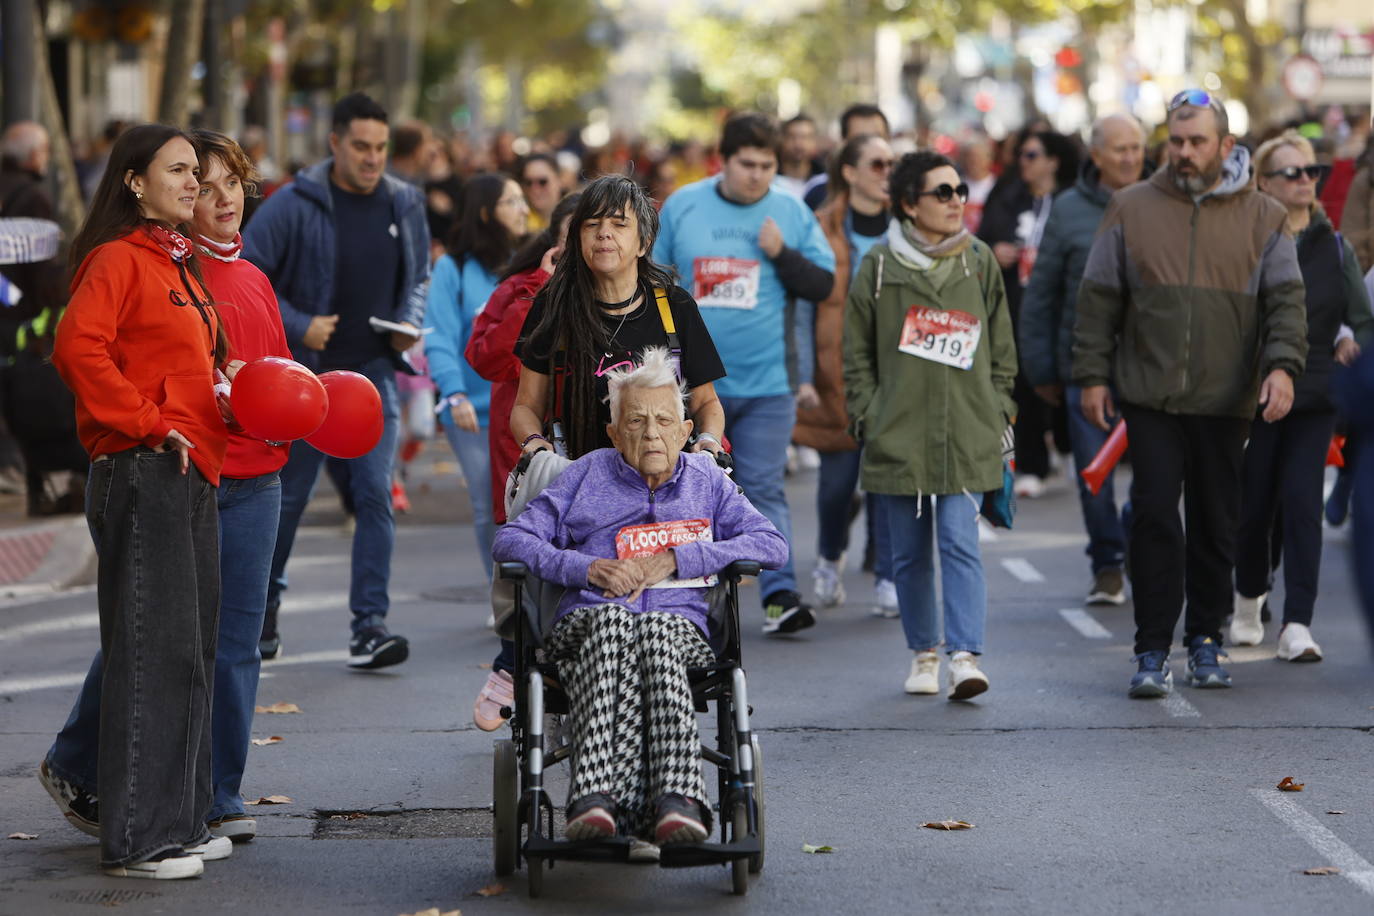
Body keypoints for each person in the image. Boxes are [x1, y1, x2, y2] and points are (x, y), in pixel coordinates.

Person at [492, 347, 788, 843]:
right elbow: (512, 539)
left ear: (685, 431)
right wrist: (587, 569)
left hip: (679, 629)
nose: (651, 433)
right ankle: (606, 799)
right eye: (635, 421)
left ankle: (665, 800)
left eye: (663, 421)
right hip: (590, 625)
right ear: (613, 433)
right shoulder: (586, 474)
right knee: (614, 625)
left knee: (655, 629)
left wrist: (680, 557)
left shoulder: (707, 481)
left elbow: (771, 544)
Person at [40, 124, 232, 879]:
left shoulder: (179, 264)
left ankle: (179, 823)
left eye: (199, 172)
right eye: (180, 171)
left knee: (190, 655)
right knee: (153, 655)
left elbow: (191, 361)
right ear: (132, 181)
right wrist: (151, 424)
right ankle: (140, 840)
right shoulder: (118, 259)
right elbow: (75, 348)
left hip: (191, 471)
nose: (197, 184)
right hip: (142, 467)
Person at [1074, 89, 1308, 698]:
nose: (1183, 152)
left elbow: (1286, 301)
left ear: (1225, 145)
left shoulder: (1264, 216)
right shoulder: (1130, 206)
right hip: (1149, 394)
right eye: (1175, 140)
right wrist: (1092, 375)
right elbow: (1099, 298)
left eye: (1196, 141)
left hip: (1227, 395)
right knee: (1153, 515)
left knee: (1215, 520)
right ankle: (1151, 647)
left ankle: (1206, 637)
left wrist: (1282, 367)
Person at [481, 175, 726, 730]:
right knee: (527, 548)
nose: (604, 236)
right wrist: (539, 449)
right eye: (592, 226)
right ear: (577, 240)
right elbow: (525, 409)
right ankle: (513, 656)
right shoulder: (555, 305)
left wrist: (707, 447)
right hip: (584, 485)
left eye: (619, 224)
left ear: (642, 242)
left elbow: (708, 405)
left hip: (665, 484)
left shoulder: (672, 308)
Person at [244, 91, 431, 668]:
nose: (373, 158)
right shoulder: (295, 203)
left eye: (380, 148)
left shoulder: (405, 203)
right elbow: (247, 276)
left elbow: (418, 277)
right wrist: (302, 324)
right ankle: (263, 616)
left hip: (371, 379)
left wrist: (409, 323)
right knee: (289, 501)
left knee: (375, 495)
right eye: (361, 146)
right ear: (334, 143)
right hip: (303, 382)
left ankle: (369, 626)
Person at [843, 151, 1016, 700]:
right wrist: (869, 413)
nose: (956, 201)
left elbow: (1003, 347)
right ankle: (924, 654)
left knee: (961, 543)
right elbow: (856, 354)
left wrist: (999, 408)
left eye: (959, 189)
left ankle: (965, 656)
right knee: (910, 554)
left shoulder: (979, 260)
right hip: (897, 434)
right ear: (908, 205)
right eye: (941, 193)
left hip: (967, 430)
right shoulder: (877, 266)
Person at [655, 113, 835, 635]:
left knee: (763, 486)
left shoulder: (790, 210)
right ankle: (685, 602)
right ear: (724, 161)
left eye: (767, 165)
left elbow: (823, 285)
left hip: (767, 381)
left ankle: (780, 595)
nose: (757, 175)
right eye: (747, 164)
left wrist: (781, 253)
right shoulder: (685, 205)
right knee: (683, 490)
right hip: (690, 385)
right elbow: (654, 284)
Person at [1229, 131, 1373, 660]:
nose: (1306, 181)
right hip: (1256, 393)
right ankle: (1248, 598)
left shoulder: (1334, 248)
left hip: (1315, 392)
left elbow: (1362, 317)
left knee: (1301, 503)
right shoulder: (1245, 241)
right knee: (1255, 504)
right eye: (1292, 173)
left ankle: (1298, 623)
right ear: (1262, 182)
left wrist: (1351, 340)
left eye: (1312, 172)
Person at [1019, 114, 1147, 607]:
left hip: (1151, 369)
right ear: (1096, 155)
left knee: (1156, 476)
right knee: (1094, 475)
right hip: (1084, 369)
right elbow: (1043, 295)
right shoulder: (1069, 210)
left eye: (1137, 147)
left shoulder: (1164, 201)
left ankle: (1137, 538)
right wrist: (1041, 370)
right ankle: (1108, 563)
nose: (1130, 158)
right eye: (1119, 149)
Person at [792, 132, 898, 617]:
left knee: (886, 481)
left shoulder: (909, 225)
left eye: (892, 164)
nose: (887, 173)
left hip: (896, 374)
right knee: (837, 486)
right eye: (877, 164)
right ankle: (830, 559)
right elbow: (802, 307)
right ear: (850, 173)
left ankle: (889, 576)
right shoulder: (821, 225)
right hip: (835, 373)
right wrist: (802, 373)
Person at [425, 174, 528, 583]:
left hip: (523, 410)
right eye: (512, 201)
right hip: (472, 414)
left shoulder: (531, 260)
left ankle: (536, 591)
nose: (523, 209)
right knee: (491, 504)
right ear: (487, 213)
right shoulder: (454, 267)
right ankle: (502, 591)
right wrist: (453, 394)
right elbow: (439, 337)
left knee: (531, 500)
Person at [979, 129, 1079, 499]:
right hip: (1016, 306)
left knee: (1065, 377)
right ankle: (1032, 462)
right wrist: (994, 250)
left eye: (1032, 155)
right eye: (1020, 154)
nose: (1023, 161)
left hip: (1063, 308)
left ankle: (1068, 445)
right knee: (1023, 382)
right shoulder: (1006, 197)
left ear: (1052, 160)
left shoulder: (1071, 200)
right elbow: (979, 242)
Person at [803, 104, 891, 210]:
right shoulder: (818, 193)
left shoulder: (907, 194)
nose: (872, 146)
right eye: (860, 139)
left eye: (877, 138)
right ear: (843, 141)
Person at [777, 114, 823, 200]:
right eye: (792, 136)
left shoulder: (824, 181)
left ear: (815, 141)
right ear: (782, 139)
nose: (798, 144)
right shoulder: (768, 178)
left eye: (805, 137)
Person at [518, 153, 561, 231]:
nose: (535, 189)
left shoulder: (576, 219)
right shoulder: (518, 226)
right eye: (528, 182)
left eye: (542, 182)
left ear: (559, 180)